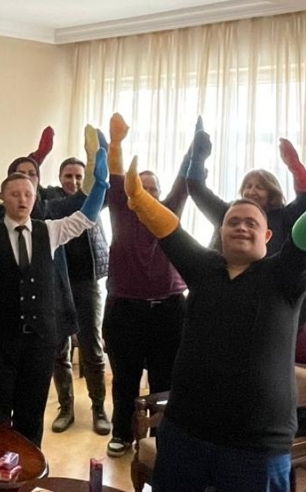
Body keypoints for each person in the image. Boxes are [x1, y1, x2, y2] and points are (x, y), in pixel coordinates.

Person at [124, 147, 306, 491]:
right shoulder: (204, 267)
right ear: (221, 232)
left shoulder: (283, 275)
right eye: (233, 222)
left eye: (252, 223)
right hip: (184, 431)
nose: (241, 227)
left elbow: (304, 242)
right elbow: (170, 232)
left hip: (257, 445)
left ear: (268, 236)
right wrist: (139, 198)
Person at [0, 141, 109, 447]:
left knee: (32, 413)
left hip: (40, 343)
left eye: (28, 194)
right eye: (15, 194)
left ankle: (29, 466)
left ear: (35, 197)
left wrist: (101, 183)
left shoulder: (50, 230)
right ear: (3, 198)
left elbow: (86, 217)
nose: (22, 199)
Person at [101, 114, 190, 458]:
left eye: (154, 189)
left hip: (169, 310)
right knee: (125, 378)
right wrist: (116, 144)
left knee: (164, 380)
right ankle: (122, 434)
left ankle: (159, 437)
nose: (149, 192)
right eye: (143, 187)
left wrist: (194, 152)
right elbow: (116, 178)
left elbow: (184, 183)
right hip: (125, 311)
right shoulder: (122, 210)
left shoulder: (168, 213)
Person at [185, 132, 306, 325]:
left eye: (259, 187)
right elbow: (197, 190)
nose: (251, 191)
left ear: (271, 192)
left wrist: (295, 167)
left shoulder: (284, 217)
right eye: (248, 186)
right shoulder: (228, 212)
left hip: (272, 300)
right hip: (227, 294)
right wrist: (197, 158)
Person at [48, 156, 111, 435]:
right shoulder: (51, 202)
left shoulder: (94, 198)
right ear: (59, 178)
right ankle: (66, 408)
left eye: (78, 177)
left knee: (92, 348)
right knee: (59, 349)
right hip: (57, 283)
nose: (73, 181)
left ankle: (99, 408)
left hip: (88, 283)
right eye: (68, 176)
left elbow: (107, 188)